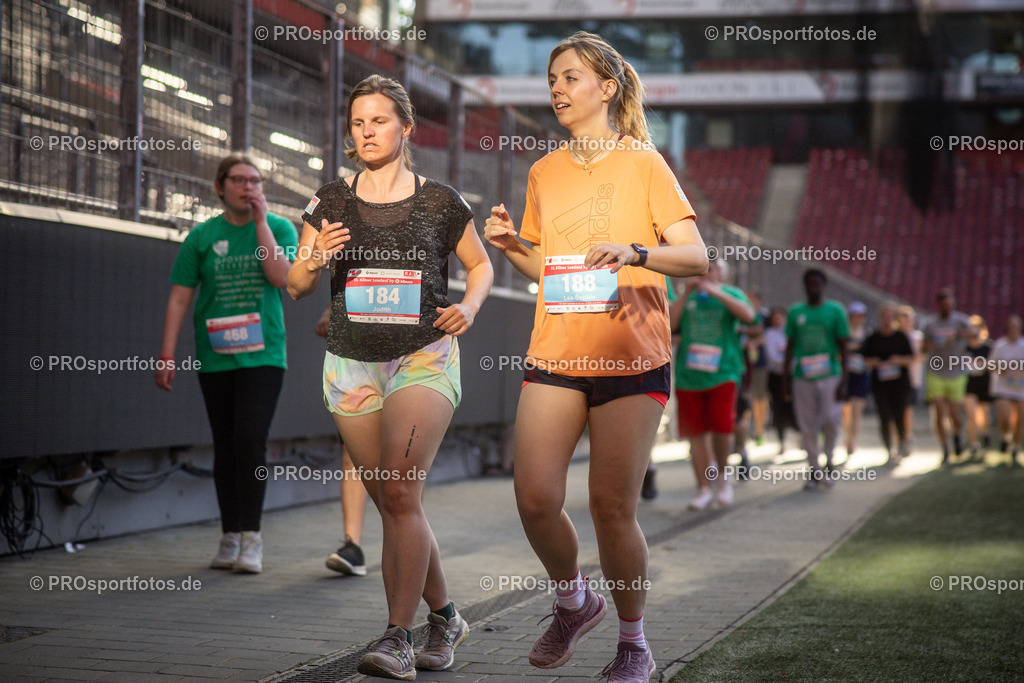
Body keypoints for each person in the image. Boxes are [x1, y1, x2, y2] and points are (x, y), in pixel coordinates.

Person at [484, 31, 708, 682]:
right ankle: (574, 600)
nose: (556, 87)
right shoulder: (543, 172)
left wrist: (635, 251)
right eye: (552, 78)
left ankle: (634, 643)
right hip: (555, 352)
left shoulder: (644, 163)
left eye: (571, 76)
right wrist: (508, 245)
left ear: (606, 88)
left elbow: (696, 258)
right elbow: (550, 270)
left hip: (633, 359)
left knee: (613, 507)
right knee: (533, 498)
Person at [287, 74, 493, 679]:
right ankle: (446, 615)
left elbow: (479, 266)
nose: (367, 131)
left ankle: (396, 637)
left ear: (405, 128)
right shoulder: (328, 201)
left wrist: (471, 307)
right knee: (392, 501)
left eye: (379, 120)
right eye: (357, 123)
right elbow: (297, 286)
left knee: (401, 493)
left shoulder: (440, 201)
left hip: (423, 356)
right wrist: (316, 256)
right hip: (351, 363)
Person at [156, 152, 297, 574]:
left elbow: (282, 278)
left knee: (249, 440)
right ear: (220, 187)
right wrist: (167, 353)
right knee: (225, 444)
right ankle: (229, 535)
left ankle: (252, 538)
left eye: (255, 180)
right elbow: (180, 296)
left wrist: (260, 224)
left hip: (264, 355)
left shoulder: (279, 227)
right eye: (237, 180)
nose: (247, 187)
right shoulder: (201, 236)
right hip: (215, 355)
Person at [670, 260, 756, 510]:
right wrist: (687, 293)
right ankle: (703, 488)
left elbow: (749, 317)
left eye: (711, 268)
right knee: (695, 433)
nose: (705, 273)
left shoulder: (731, 294)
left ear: (721, 272)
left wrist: (716, 291)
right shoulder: (686, 297)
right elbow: (671, 324)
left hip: (723, 373)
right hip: (689, 375)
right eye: (701, 268)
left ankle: (721, 479)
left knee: (722, 428)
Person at [783, 269, 850, 490]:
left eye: (817, 283)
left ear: (823, 285)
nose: (814, 287)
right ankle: (814, 469)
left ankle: (829, 462)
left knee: (831, 420)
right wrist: (785, 380)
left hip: (831, 375)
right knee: (807, 425)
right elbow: (789, 348)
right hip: (802, 377)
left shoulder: (835, 311)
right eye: (809, 283)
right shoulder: (796, 312)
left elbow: (844, 347)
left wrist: (844, 379)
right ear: (805, 286)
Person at [316, 305, 369, 576]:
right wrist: (331, 309)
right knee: (353, 452)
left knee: (403, 463)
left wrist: (469, 306)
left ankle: (410, 537)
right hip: (357, 353)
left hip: (414, 357)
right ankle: (353, 545)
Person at [922, 287, 974, 464]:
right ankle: (945, 448)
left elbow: (976, 333)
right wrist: (933, 344)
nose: (947, 307)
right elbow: (923, 346)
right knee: (939, 411)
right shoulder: (930, 324)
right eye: (944, 304)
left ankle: (958, 436)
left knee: (955, 413)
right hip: (936, 371)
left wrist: (959, 335)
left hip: (956, 371)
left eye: (950, 304)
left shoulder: (960, 321)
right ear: (938, 305)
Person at [861, 302, 915, 464]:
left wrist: (898, 360)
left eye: (889, 316)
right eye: (884, 316)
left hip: (899, 384)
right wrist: (873, 362)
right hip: (880, 384)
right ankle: (889, 450)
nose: (886, 319)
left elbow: (911, 358)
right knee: (884, 416)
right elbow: (864, 360)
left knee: (899, 415)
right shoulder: (872, 338)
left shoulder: (901, 337)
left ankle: (902, 443)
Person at [989, 314, 1024, 466]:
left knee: (1020, 421)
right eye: (1011, 327)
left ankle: (1016, 447)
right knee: (1005, 417)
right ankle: (1005, 437)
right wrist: (1001, 369)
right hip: (1003, 387)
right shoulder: (1000, 345)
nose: (1013, 330)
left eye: (1016, 326)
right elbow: (990, 365)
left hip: (1020, 388)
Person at [764, 306, 796, 454]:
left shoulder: (792, 333)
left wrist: (790, 363)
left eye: (780, 317)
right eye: (774, 317)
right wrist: (787, 362)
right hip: (776, 377)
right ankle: (781, 439)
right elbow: (772, 357)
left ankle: (801, 438)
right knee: (778, 408)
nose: (778, 320)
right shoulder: (769, 334)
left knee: (797, 408)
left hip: (793, 376)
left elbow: (797, 353)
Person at [842, 301, 871, 458]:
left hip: (861, 375)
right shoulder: (844, 333)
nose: (857, 318)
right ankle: (848, 438)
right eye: (854, 315)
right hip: (846, 375)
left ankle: (853, 441)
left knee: (857, 410)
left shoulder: (867, 334)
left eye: (860, 315)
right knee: (846, 411)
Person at [963, 315, 994, 462]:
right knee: (971, 414)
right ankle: (973, 444)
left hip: (984, 383)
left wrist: (983, 363)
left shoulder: (988, 347)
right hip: (968, 384)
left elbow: (995, 366)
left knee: (984, 415)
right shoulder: (963, 347)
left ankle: (985, 433)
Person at [897, 305, 925, 448]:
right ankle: (898, 439)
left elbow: (923, 356)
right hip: (896, 379)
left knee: (907, 410)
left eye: (910, 318)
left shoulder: (918, 337)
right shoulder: (895, 336)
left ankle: (907, 437)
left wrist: (907, 360)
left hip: (912, 378)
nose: (908, 320)